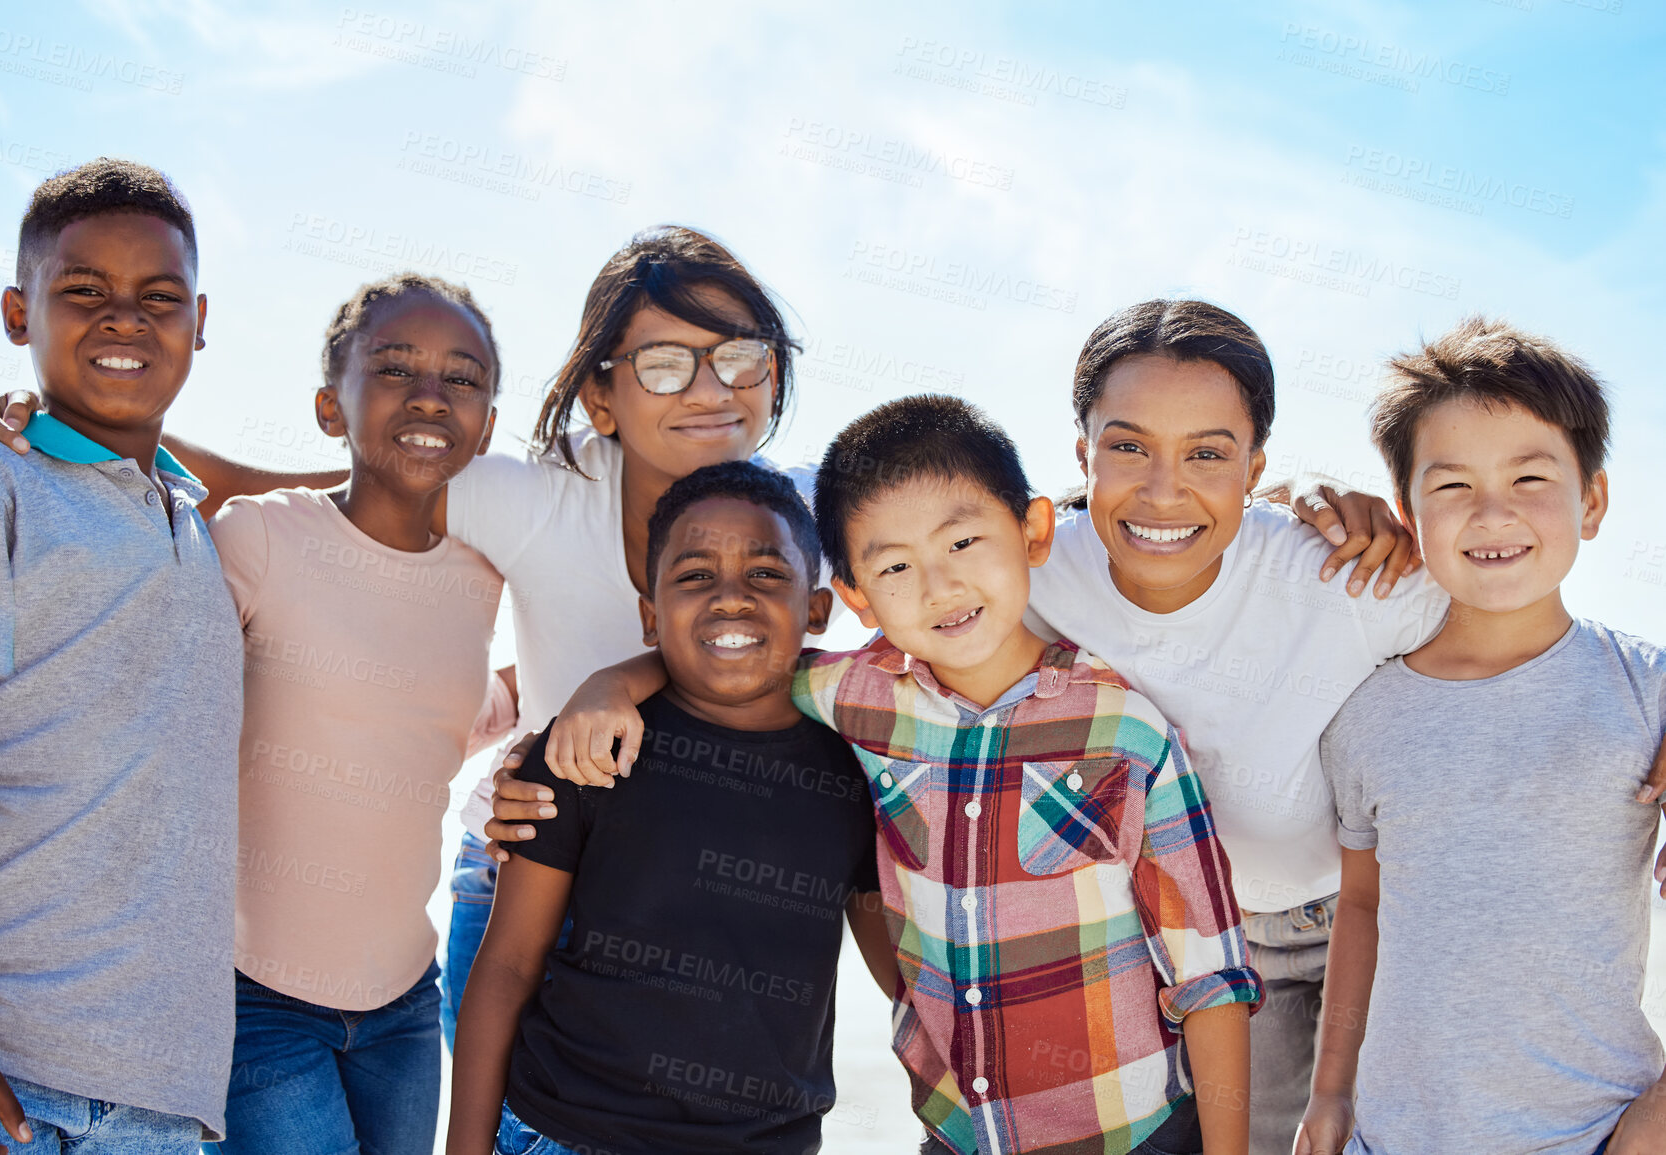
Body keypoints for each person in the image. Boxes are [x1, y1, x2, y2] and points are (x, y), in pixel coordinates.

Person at [0, 225, 815, 1050]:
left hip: (685, 891)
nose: (710, 390)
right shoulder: (540, 498)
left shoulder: (815, 517)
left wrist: (605, 683)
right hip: (523, 865)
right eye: (666, 364)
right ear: (602, 394)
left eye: (741, 356)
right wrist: (60, 432)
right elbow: (350, 484)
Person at [544, 396, 1263, 1155]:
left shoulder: (1127, 731)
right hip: (953, 1134)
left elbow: (1212, 975)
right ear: (855, 594)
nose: (938, 585)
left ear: (1033, 531)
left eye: (962, 541)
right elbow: (730, 657)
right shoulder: (857, 695)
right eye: (893, 565)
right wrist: (611, 684)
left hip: (1133, 1136)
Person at [1022, 299, 1454, 1152]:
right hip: (1198, 943)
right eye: (1128, 445)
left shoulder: (1336, 574)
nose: (1162, 489)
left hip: (1365, 920)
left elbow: (1518, 633)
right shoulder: (1034, 575)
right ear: (1084, 454)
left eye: (1207, 454)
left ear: (1255, 468)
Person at [1296, 318, 1666, 1155]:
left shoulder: (1647, 692)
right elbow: (1361, 906)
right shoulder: (1364, 716)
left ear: (1593, 501)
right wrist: (1329, 1090)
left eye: (1530, 476)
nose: (1492, 511)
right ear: (1407, 512)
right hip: (1389, 1136)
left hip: (1593, 1133)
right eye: (1452, 485)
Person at [447, 461, 888, 1155]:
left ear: (817, 608)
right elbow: (506, 968)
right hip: (565, 1133)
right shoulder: (583, 752)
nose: (732, 597)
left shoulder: (857, 771)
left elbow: (903, 976)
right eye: (694, 576)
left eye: (767, 574)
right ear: (650, 617)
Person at [0, 158, 240, 1152]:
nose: (123, 319)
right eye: (84, 293)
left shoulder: (195, 522)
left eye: (159, 298)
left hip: (170, 1094)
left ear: (201, 324)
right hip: (6, 1078)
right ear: (20, 314)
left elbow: (375, 491)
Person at [203, 273, 517, 1154]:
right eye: (393, 369)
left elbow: (435, 713)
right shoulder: (257, 537)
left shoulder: (485, 574)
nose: (430, 394)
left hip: (404, 1005)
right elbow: (163, 688)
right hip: (251, 994)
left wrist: (538, 704)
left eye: (462, 377)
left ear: (488, 423)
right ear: (328, 407)